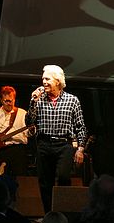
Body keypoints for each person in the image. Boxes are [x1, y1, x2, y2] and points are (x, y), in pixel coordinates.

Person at [26, 65, 87, 213]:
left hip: (64, 145)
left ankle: (63, 213)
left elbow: (80, 127)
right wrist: (33, 101)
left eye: (47, 79)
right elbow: (29, 122)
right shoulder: (39, 100)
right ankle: (49, 214)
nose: (44, 82)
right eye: (43, 79)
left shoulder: (72, 100)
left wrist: (80, 149)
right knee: (45, 183)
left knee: (64, 178)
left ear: (57, 81)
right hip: (44, 144)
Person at [0, 86, 30, 177]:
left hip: (17, 150)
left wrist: (32, 130)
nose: (9, 103)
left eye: (11, 100)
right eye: (6, 101)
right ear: (1, 100)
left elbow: (28, 133)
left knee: (19, 178)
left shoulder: (22, 113)